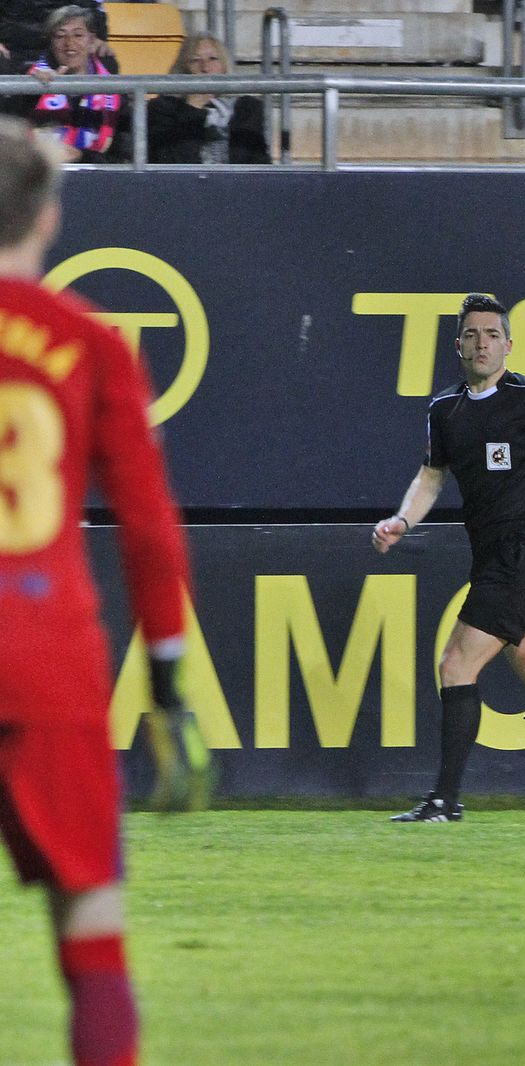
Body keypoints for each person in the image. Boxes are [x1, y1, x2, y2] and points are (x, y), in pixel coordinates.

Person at [0, 117, 200, 1066]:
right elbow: (152, 533)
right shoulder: (89, 344)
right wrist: (166, 681)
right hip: (48, 661)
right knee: (92, 927)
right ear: (46, 217)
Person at [372, 293, 525, 822]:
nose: (482, 344)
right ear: (458, 344)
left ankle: (443, 801)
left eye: (492, 335)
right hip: (490, 556)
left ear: (508, 345)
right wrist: (402, 521)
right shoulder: (444, 410)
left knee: (456, 664)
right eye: (472, 334)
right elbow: (431, 478)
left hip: (521, 551)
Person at [13, 6, 120, 163]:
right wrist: (36, 89)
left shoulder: (113, 84)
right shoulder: (29, 78)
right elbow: (13, 135)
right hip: (38, 173)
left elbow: (121, 152)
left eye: (78, 35)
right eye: (60, 36)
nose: (69, 43)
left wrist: (82, 156)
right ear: (51, 43)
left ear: (92, 41)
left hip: (97, 177)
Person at [147, 32, 269, 165]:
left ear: (224, 66)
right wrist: (192, 109)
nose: (205, 68)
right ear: (183, 68)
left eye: (213, 58)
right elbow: (174, 164)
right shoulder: (161, 108)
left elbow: (256, 164)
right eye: (195, 60)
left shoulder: (247, 108)